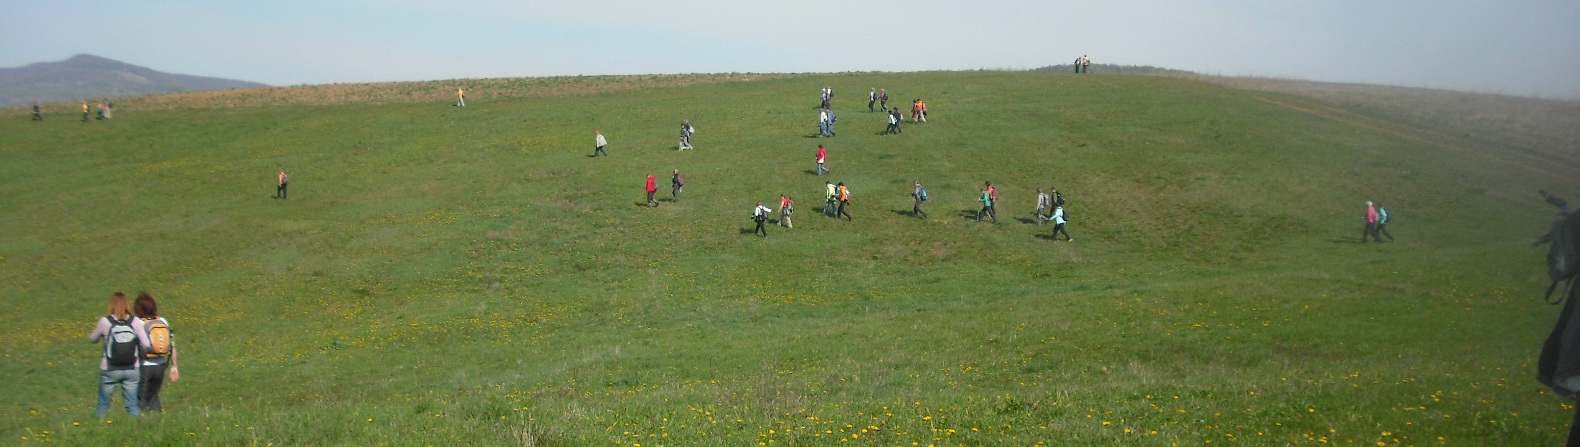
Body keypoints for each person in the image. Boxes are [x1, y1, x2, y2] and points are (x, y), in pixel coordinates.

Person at [87, 292, 149, 418]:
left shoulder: (105, 321)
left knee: (103, 405)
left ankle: (97, 431)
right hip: (132, 367)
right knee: (132, 405)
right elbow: (147, 344)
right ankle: (137, 431)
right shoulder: (135, 321)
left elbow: (92, 339)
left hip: (110, 368)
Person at [133, 293, 179, 413]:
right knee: (154, 396)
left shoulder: (138, 322)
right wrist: (174, 366)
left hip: (144, 365)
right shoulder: (163, 321)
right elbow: (172, 344)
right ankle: (158, 422)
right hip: (161, 365)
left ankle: (141, 425)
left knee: (140, 399)